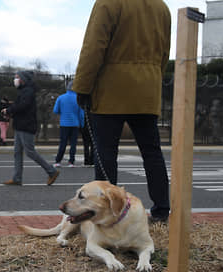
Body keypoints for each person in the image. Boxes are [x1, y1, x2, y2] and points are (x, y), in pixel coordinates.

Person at [72, 0, 171, 222]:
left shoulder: (109, 2)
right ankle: (162, 210)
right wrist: (152, 78)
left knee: (105, 153)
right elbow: (164, 52)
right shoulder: (161, 7)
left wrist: (83, 87)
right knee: (152, 153)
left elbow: (94, 48)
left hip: (111, 88)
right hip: (147, 88)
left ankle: (108, 211)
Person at [2, 71, 60, 186]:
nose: (15, 79)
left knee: (30, 152)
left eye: (17, 77)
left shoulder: (28, 91)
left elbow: (23, 106)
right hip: (21, 125)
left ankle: (52, 171)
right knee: (17, 152)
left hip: (26, 125)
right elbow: (21, 107)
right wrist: (10, 111)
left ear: (23, 79)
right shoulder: (24, 91)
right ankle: (17, 178)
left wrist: (9, 110)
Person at [52, 81, 84, 168]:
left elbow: (55, 110)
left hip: (64, 124)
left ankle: (58, 161)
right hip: (75, 124)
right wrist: (82, 124)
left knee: (63, 143)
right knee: (73, 144)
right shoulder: (78, 98)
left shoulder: (61, 98)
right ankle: (71, 162)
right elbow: (81, 114)